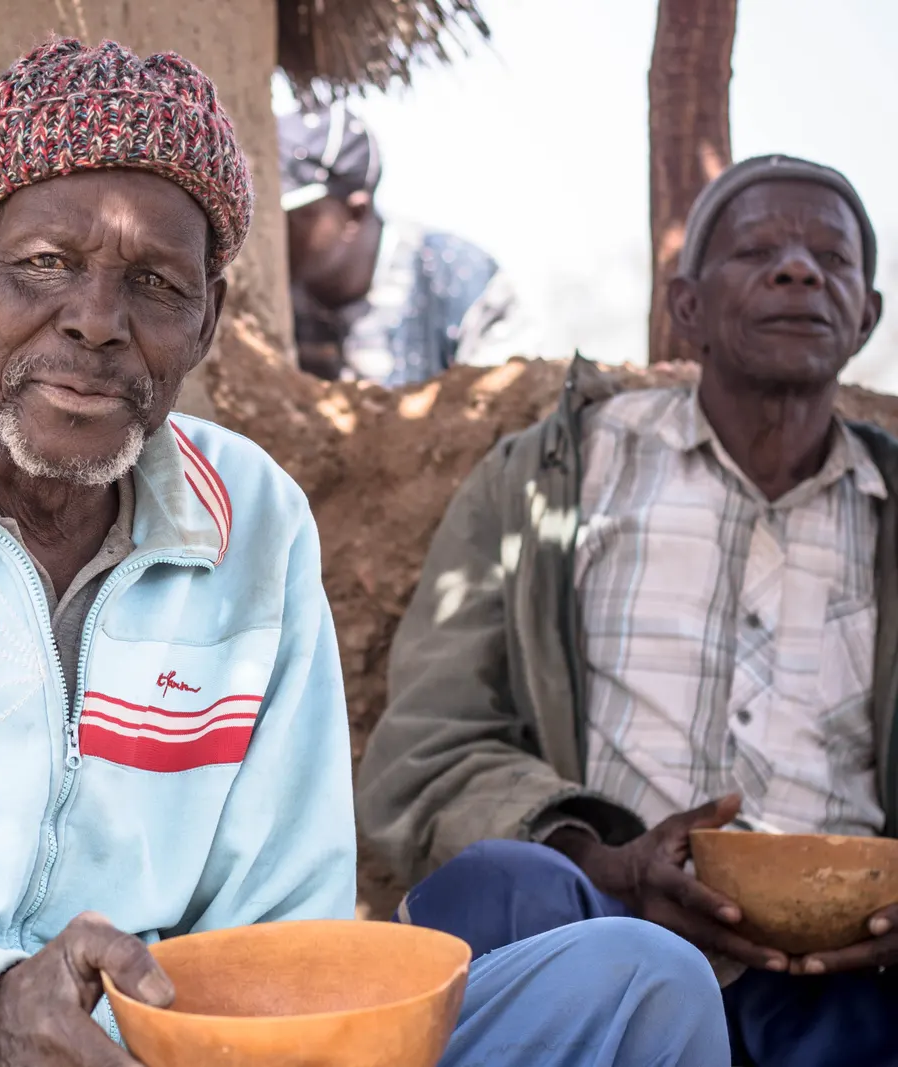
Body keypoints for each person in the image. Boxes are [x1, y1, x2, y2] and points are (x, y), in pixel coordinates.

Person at [0, 39, 728, 1067]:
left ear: (208, 320)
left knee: (635, 982)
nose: (95, 319)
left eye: (154, 285)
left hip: (163, 1049)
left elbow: (280, 936)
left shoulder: (252, 520)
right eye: (46, 263)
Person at [358, 154, 895, 1067]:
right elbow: (430, 746)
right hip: (604, 920)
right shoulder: (551, 479)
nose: (799, 271)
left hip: (850, 980)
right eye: (758, 251)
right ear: (686, 308)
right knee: (503, 881)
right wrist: (601, 855)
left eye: (831, 259)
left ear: (867, 316)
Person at [278, 100, 532, 385]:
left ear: (354, 213)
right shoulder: (269, 291)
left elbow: (508, 399)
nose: (274, 229)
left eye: (293, 215)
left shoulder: (463, 283)